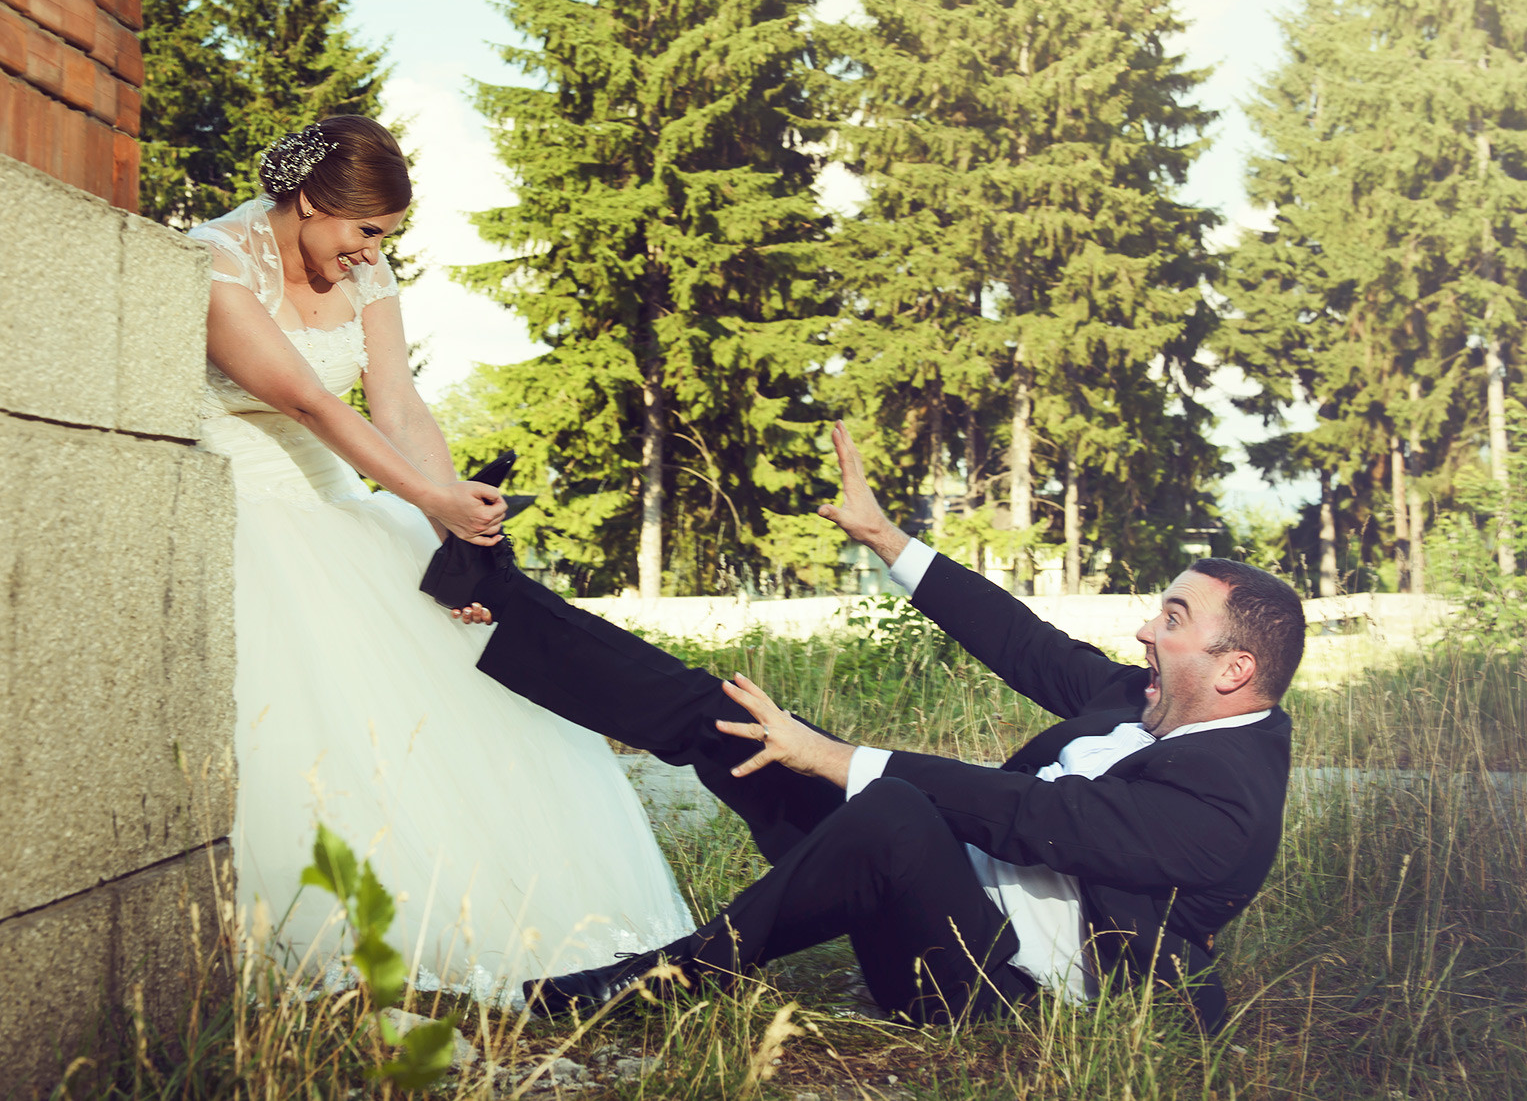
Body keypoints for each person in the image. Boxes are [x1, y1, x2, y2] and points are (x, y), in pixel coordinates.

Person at [420, 422, 1303, 1030]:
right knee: (734, 717)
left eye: (1174, 620)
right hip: (924, 885)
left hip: (986, 983)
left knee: (893, 806)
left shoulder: (1231, 800)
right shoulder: (1142, 698)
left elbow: (1037, 819)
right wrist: (886, 539)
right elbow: (1021, 641)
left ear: (1234, 670)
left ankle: (672, 977)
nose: (1147, 629)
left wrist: (841, 759)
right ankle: (496, 594)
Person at [194, 116, 691, 997]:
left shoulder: (368, 272)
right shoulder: (215, 261)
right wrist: (426, 499)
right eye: (364, 231)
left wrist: (455, 540)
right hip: (241, 509)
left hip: (344, 502)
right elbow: (310, 402)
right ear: (308, 201)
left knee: (452, 690)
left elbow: (398, 404)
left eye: (382, 237)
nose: (369, 254)